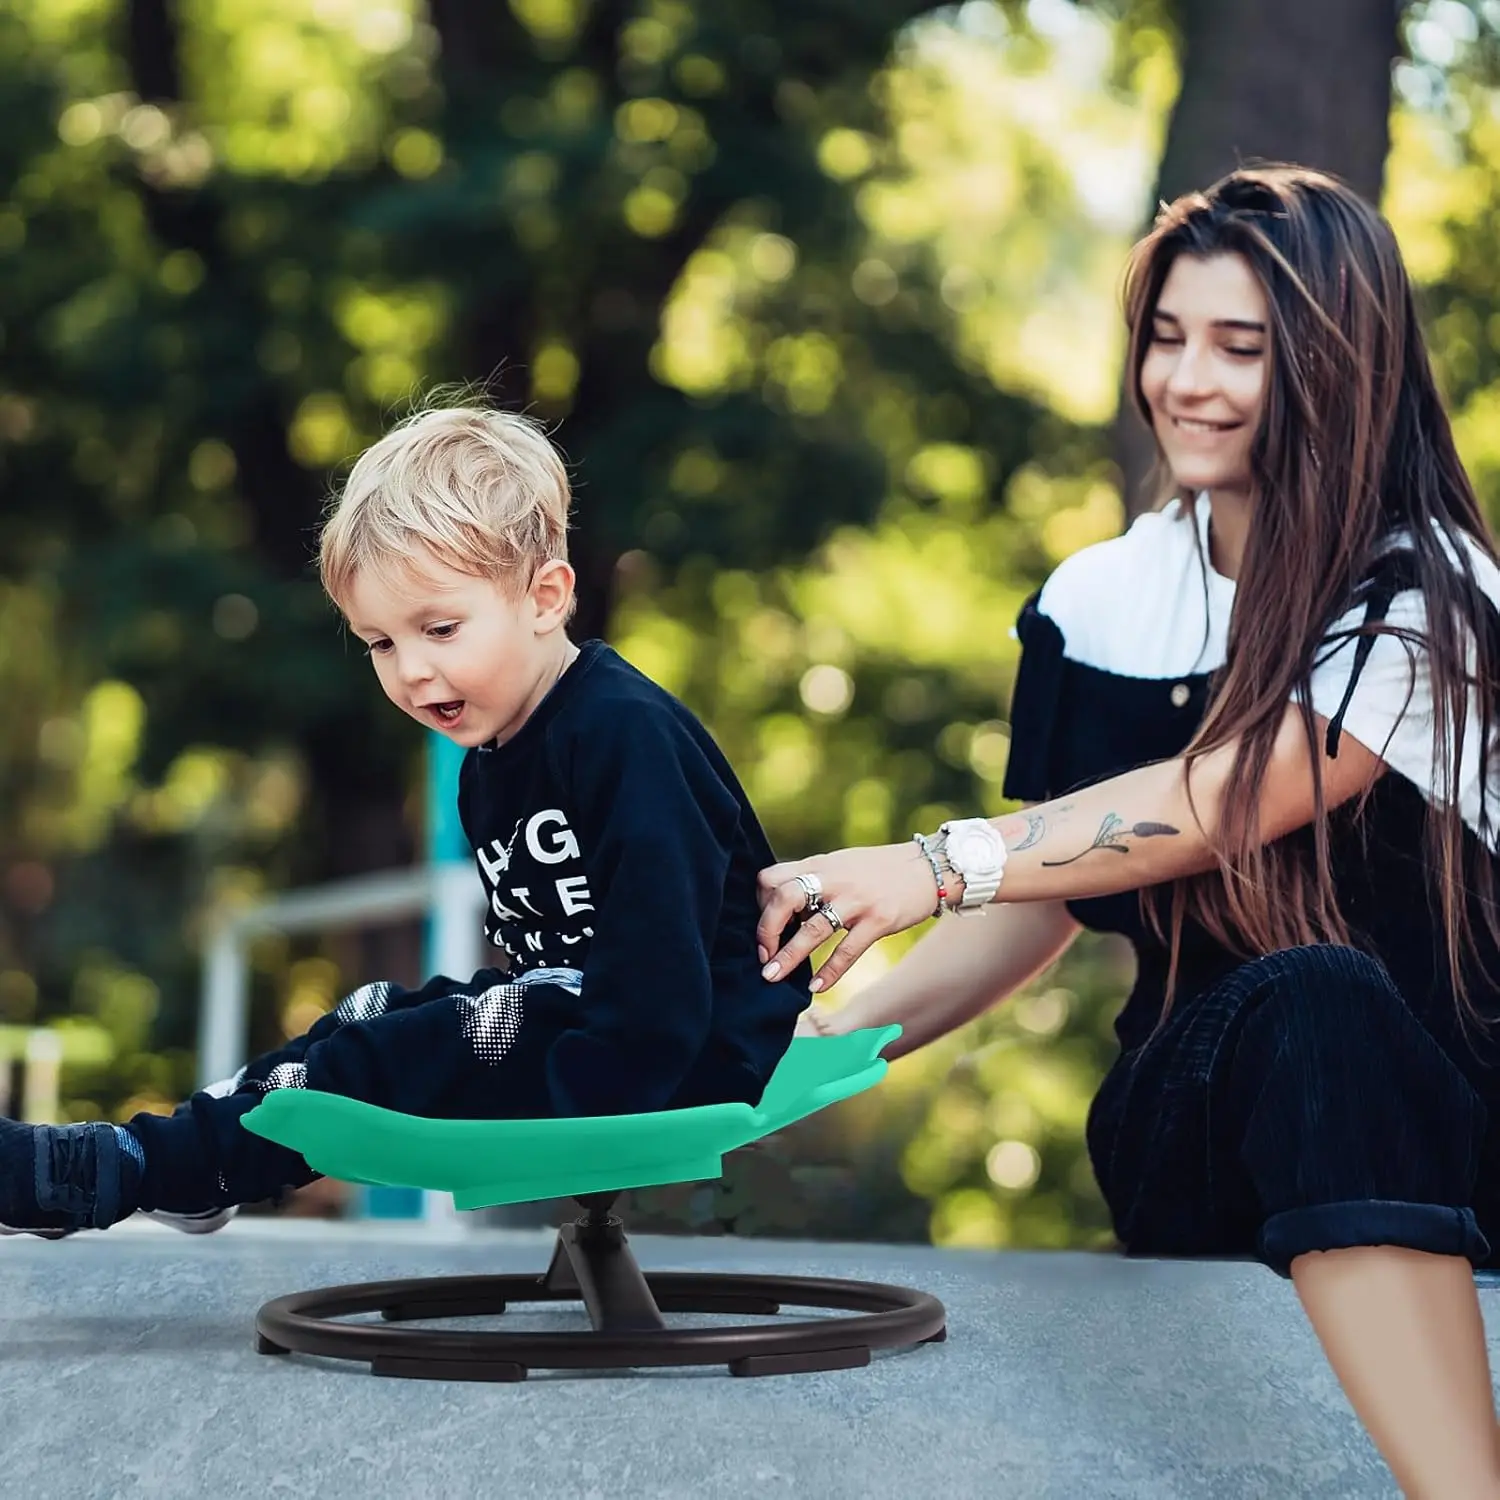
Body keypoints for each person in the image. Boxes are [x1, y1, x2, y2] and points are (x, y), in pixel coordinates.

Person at [756, 165, 1500, 1499]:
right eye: (1166, 337)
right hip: (1194, 1130)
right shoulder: (1099, 599)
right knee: (1299, 1005)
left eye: (1241, 347)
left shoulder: (1431, 595)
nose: (1186, 382)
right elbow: (1051, 896)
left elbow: (1221, 802)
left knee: (1327, 996)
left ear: (1340, 365)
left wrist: (931, 863)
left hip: (1460, 1145)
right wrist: (799, 1055)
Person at [0, 401, 809, 1238]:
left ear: (546, 596)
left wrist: (572, 1111)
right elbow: (547, 961)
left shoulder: (620, 732)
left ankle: (131, 1170)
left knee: (399, 1052)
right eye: (381, 643)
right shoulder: (492, 759)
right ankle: (204, 1147)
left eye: (441, 628)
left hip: (677, 1058)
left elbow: (659, 956)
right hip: (584, 1019)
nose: (413, 672)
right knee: (370, 1012)